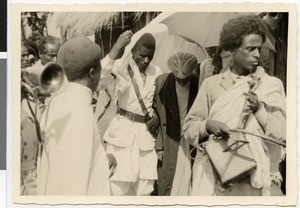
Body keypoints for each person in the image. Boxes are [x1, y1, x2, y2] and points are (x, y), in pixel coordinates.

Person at [183, 15, 286, 196]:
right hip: (215, 176)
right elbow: (189, 127)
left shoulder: (271, 85)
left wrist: (259, 111)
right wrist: (207, 126)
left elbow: (283, 134)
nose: (257, 54)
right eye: (250, 49)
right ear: (232, 49)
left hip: (255, 181)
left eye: (259, 48)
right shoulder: (211, 85)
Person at [37, 37, 116, 195]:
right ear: (92, 73)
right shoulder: (78, 112)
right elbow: (71, 185)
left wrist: (102, 160)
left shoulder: (58, 101)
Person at [102, 33, 162, 195]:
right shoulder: (120, 68)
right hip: (122, 137)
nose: (146, 60)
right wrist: (116, 49)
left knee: (145, 190)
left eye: (150, 56)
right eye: (142, 55)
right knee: (118, 189)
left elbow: (159, 101)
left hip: (146, 140)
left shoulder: (156, 71)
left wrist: (157, 117)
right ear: (133, 50)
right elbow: (100, 80)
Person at [154, 52, 199, 196]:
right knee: (167, 178)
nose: (181, 82)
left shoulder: (198, 83)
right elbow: (157, 115)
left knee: (188, 178)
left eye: (184, 79)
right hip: (169, 138)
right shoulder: (161, 82)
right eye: (177, 79)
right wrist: (159, 145)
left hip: (188, 139)